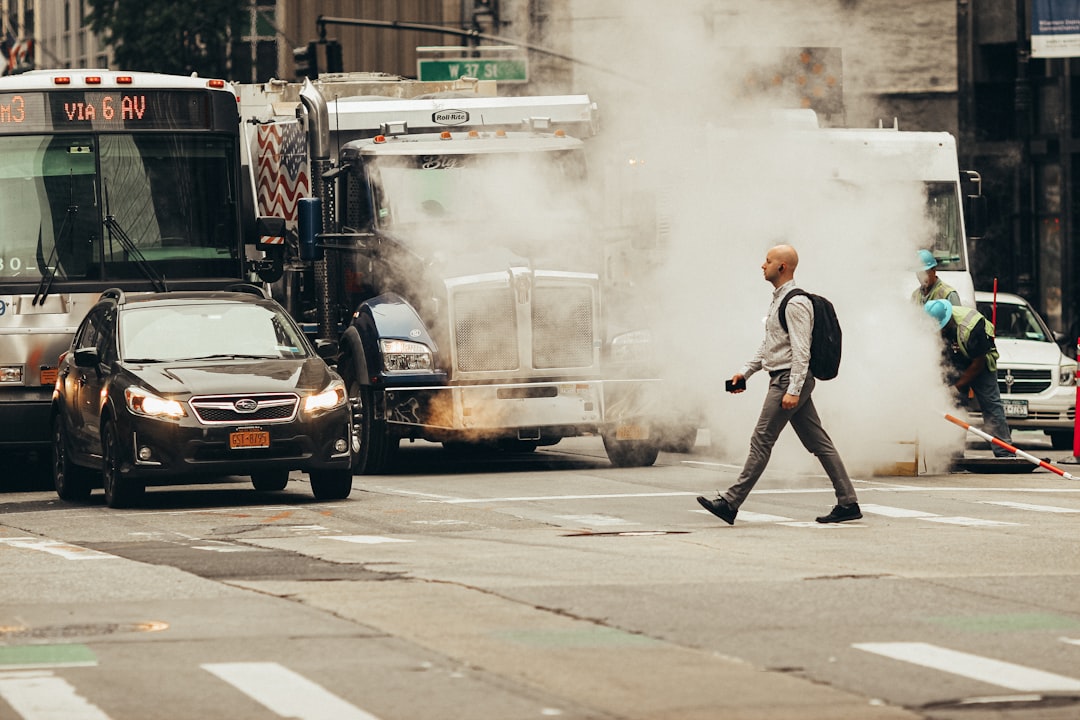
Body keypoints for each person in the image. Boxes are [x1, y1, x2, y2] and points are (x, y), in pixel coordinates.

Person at [696, 244, 861, 525]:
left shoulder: (795, 303)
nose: (763, 265)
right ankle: (848, 502)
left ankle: (730, 503)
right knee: (819, 442)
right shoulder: (779, 300)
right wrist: (745, 373)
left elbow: (801, 351)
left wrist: (793, 390)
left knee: (761, 440)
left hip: (788, 379)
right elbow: (771, 345)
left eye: (768, 261)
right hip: (785, 377)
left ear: (782, 267)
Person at [924, 298, 1013, 457]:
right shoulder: (934, 326)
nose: (941, 332)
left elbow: (977, 365)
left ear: (948, 318)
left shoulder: (972, 326)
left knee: (991, 404)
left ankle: (1005, 453)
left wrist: (956, 387)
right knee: (954, 406)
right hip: (956, 360)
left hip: (980, 361)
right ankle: (953, 454)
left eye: (942, 328)